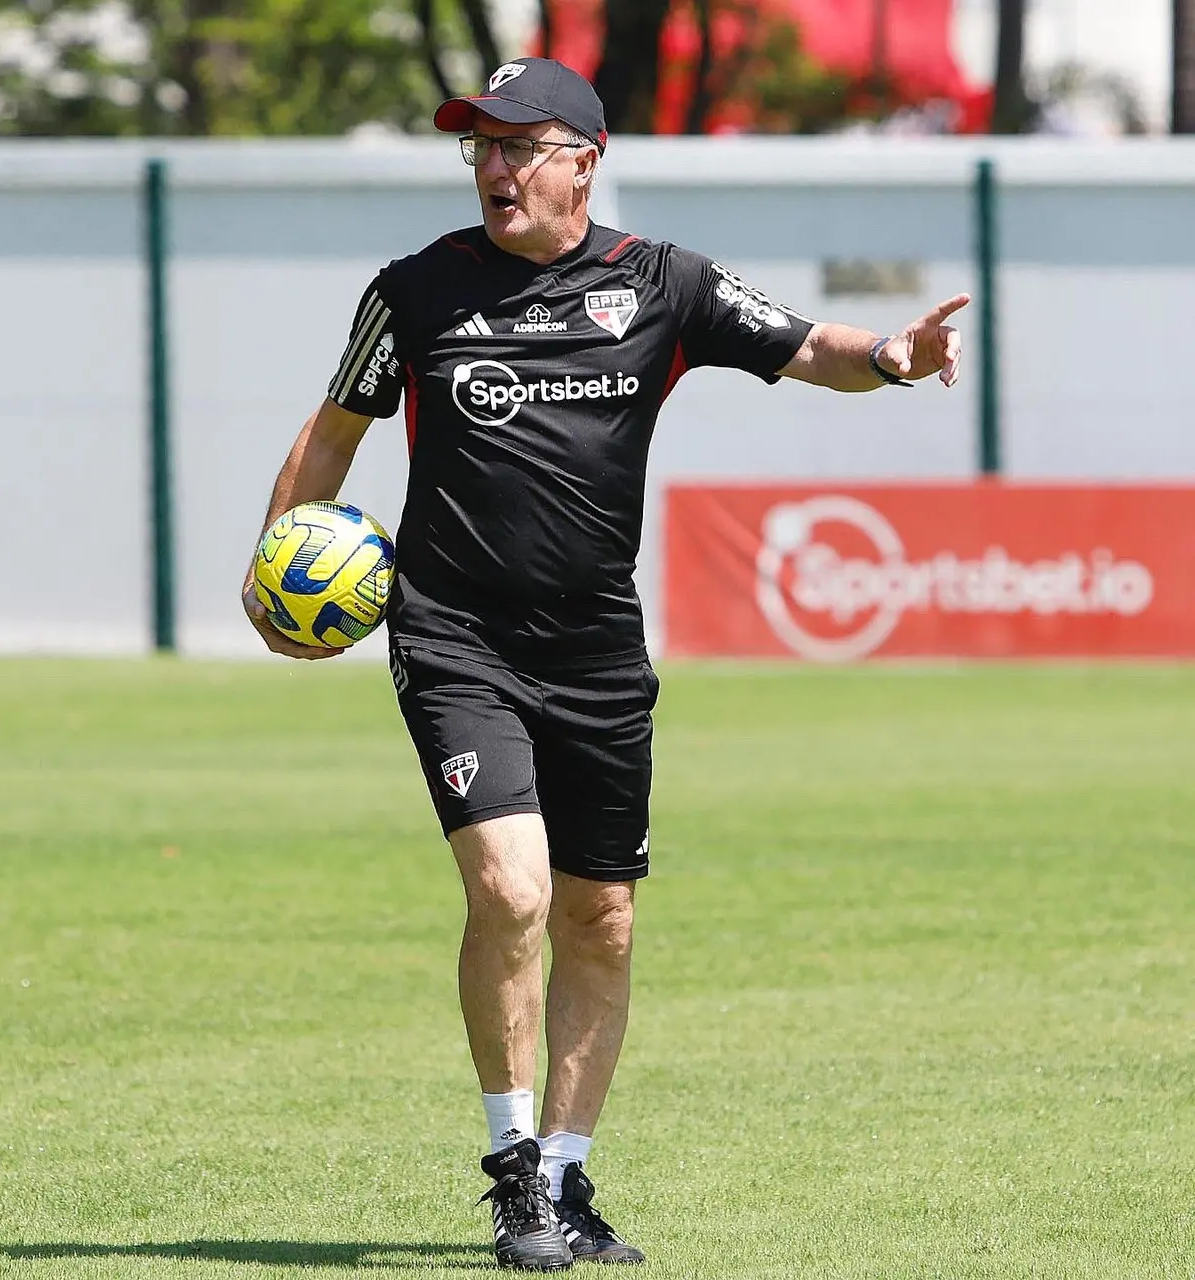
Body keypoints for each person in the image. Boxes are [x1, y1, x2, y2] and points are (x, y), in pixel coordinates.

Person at [242, 56, 967, 1271]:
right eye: (479, 144)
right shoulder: (414, 290)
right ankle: (511, 1167)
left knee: (602, 916)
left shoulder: (662, 283)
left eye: (518, 145)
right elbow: (331, 434)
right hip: (453, 633)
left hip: (594, 648)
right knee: (511, 891)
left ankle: (567, 1178)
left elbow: (807, 346)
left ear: (581, 162)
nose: (493, 166)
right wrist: (273, 565)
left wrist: (891, 353)